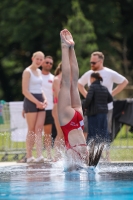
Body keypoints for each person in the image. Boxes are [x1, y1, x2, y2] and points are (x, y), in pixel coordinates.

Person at [78, 51, 129, 160]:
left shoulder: (109, 73)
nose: (91, 65)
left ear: (101, 61)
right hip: (93, 109)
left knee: (105, 131)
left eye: (94, 62)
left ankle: (107, 156)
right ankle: (89, 154)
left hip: (106, 108)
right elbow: (79, 84)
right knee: (88, 130)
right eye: (90, 62)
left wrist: (111, 94)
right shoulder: (89, 73)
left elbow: (124, 82)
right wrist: (87, 97)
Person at [58, 29, 89, 170]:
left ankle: (72, 48)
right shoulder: (72, 162)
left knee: (74, 82)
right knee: (66, 82)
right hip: (69, 122)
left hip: (79, 121)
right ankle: (65, 47)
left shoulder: (85, 158)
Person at [22, 51, 47, 163]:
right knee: (31, 129)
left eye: (41, 59)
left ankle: (39, 155)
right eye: (37, 59)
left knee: (39, 129)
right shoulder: (27, 71)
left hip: (40, 100)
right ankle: (29, 155)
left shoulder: (39, 72)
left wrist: (45, 99)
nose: (39, 61)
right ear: (32, 58)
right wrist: (36, 102)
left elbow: (40, 88)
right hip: (31, 100)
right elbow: (25, 91)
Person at [84, 72, 113, 144]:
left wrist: (83, 107)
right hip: (103, 114)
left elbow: (88, 99)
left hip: (93, 114)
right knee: (103, 133)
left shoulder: (92, 87)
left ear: (93, 78)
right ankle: (105, 152)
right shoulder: (104, 88)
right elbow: (110, 99)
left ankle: (93, 152)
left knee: (93, 133)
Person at [41, 56, 54, 161]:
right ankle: (36, 155)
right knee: (35, 132)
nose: (49, 64)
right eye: (47, 62)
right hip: (36, 108)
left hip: (49, 108)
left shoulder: (53, 78)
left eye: (51, 63)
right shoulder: (36, 76)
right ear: (42, 63)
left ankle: (49, 154)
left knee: (47, 133)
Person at [52, 63, 65, 161]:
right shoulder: (57, 79)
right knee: (60, 133)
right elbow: (58, 95)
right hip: (58, 107)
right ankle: (57, 156)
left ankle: (61, 155)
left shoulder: (65, 80)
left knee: (64, 133)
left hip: (65, 107)